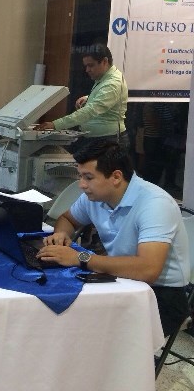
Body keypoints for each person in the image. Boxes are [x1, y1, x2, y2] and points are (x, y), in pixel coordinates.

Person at [37, 140, 190, 337]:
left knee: (88, 333)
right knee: (62, 317)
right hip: (122, 278)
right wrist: (61, 234)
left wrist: (80, 258)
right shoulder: (95, 196)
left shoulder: (155, 204)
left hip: (162, 294)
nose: (82, 185)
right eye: (80, 176)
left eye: (88, 177)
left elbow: (148, 270)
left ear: (116, 177)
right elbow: (67, 219)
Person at [35, 45, 129, 152]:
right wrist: (89, 98)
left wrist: (56, 125)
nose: (87, 70)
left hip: (109, 142)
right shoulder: (106, 78)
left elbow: (90, 111)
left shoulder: (112, 83)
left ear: (104, 61)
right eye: (86, 66)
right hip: (100, 139)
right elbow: (107, 97)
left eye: (91, 65)